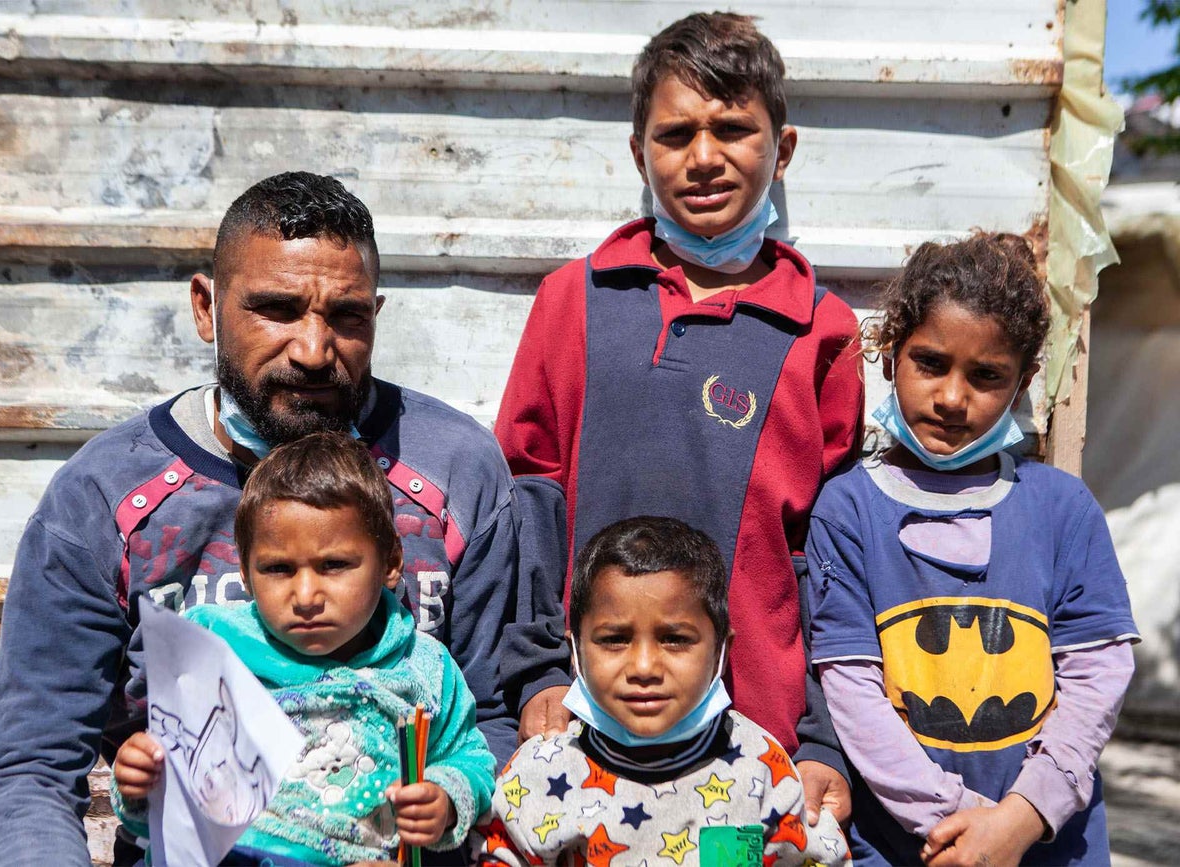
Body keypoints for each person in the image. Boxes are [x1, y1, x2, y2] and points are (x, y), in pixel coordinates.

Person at [0, 172, 520, 866]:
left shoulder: (459, 471)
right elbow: (29, 772)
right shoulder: (102, 496)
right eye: (276, 308)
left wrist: (449, 805)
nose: (313, 349)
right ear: (206, 307)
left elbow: (493, 722)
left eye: (347, 316)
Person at [495, 11, 862, 823]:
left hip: (751, 747)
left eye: (734, 129)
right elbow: (527, 506)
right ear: (638, 152)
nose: (704, 158)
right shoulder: (575, 300)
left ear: (784, 149)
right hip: (585, 741)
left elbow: (834, 559)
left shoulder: (820, 329)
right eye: (675, 134)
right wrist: (539, 674)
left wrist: (822, 737)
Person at [806, 233, 1139, 866]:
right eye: (930, 362)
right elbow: (851, 691)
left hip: (1049, 844)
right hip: (904, 847)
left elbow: (1097, 680)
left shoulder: (1062, 511)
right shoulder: (847, 511)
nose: (953, 398)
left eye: (986, 376)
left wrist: (1021, 820)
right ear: (887, 354)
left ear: (1024, 382)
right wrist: (957, 821)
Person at [112, 432, 495, 866]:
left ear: (389, 563)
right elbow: (167, 804)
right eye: (278, 569)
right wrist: (139, 781)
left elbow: (470, 759)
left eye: (334, 565)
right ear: (246, 571)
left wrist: (443, 799)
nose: (306, 595)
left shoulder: (422, 668)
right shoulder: (211, 650)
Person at [474, 517, 848, 866]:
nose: (644, 668)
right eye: (615, 640)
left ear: (722, 649)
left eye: (674, 640)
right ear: (575, 652)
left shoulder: (763, 770)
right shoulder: (538, 774)